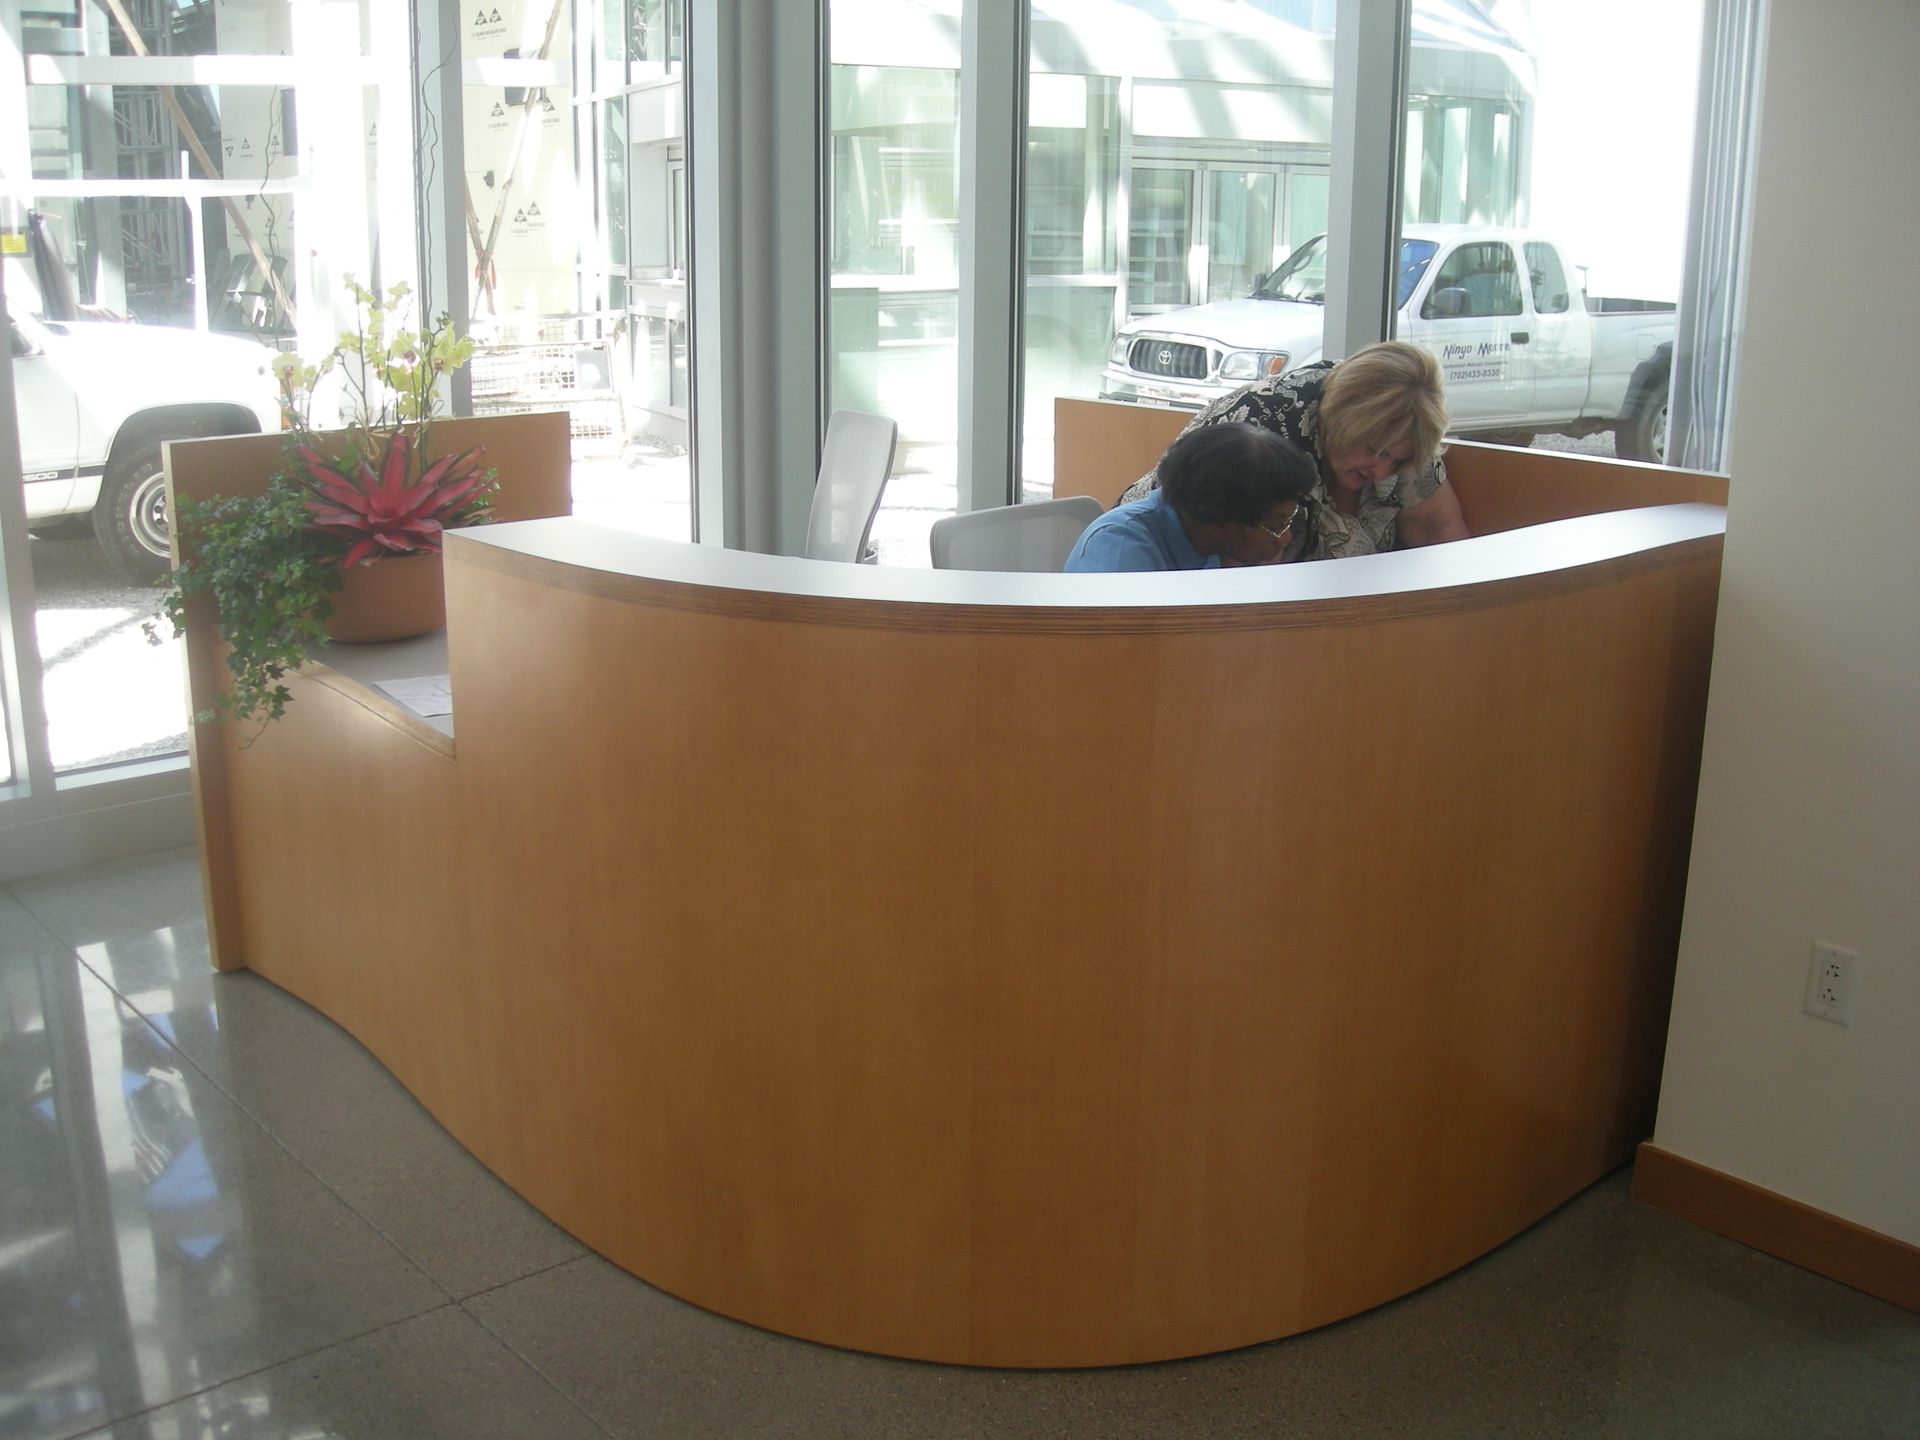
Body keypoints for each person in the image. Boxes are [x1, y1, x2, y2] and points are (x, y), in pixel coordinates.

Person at [1116, 340, 1470, 560]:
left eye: (1398, 461)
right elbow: (1230, 553)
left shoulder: (1406, 426)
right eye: (1373, 451)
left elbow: (1439, 533)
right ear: (1345, 419)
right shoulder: (1261, 429)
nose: (1381, 471)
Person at [1063, 421, 1315, 572]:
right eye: (1275, 526)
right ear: (1219, 523)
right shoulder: (1121, 552)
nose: (1285, 538)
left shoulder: (1214, 544)